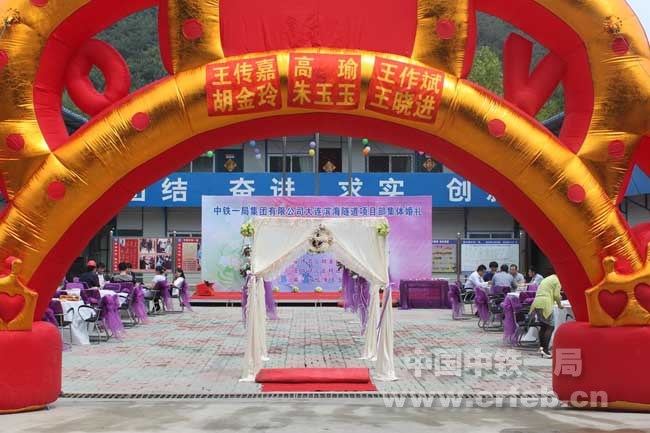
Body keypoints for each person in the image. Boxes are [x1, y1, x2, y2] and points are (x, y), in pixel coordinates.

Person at [530, 274, 563, 358]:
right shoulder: (557, 280)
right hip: (545, 303)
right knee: (550, 326)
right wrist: (559, 305)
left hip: (537, 302)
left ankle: (541, 348)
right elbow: (556, 295)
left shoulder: (547, 279)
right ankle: (545, 350)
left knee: (544, 326)